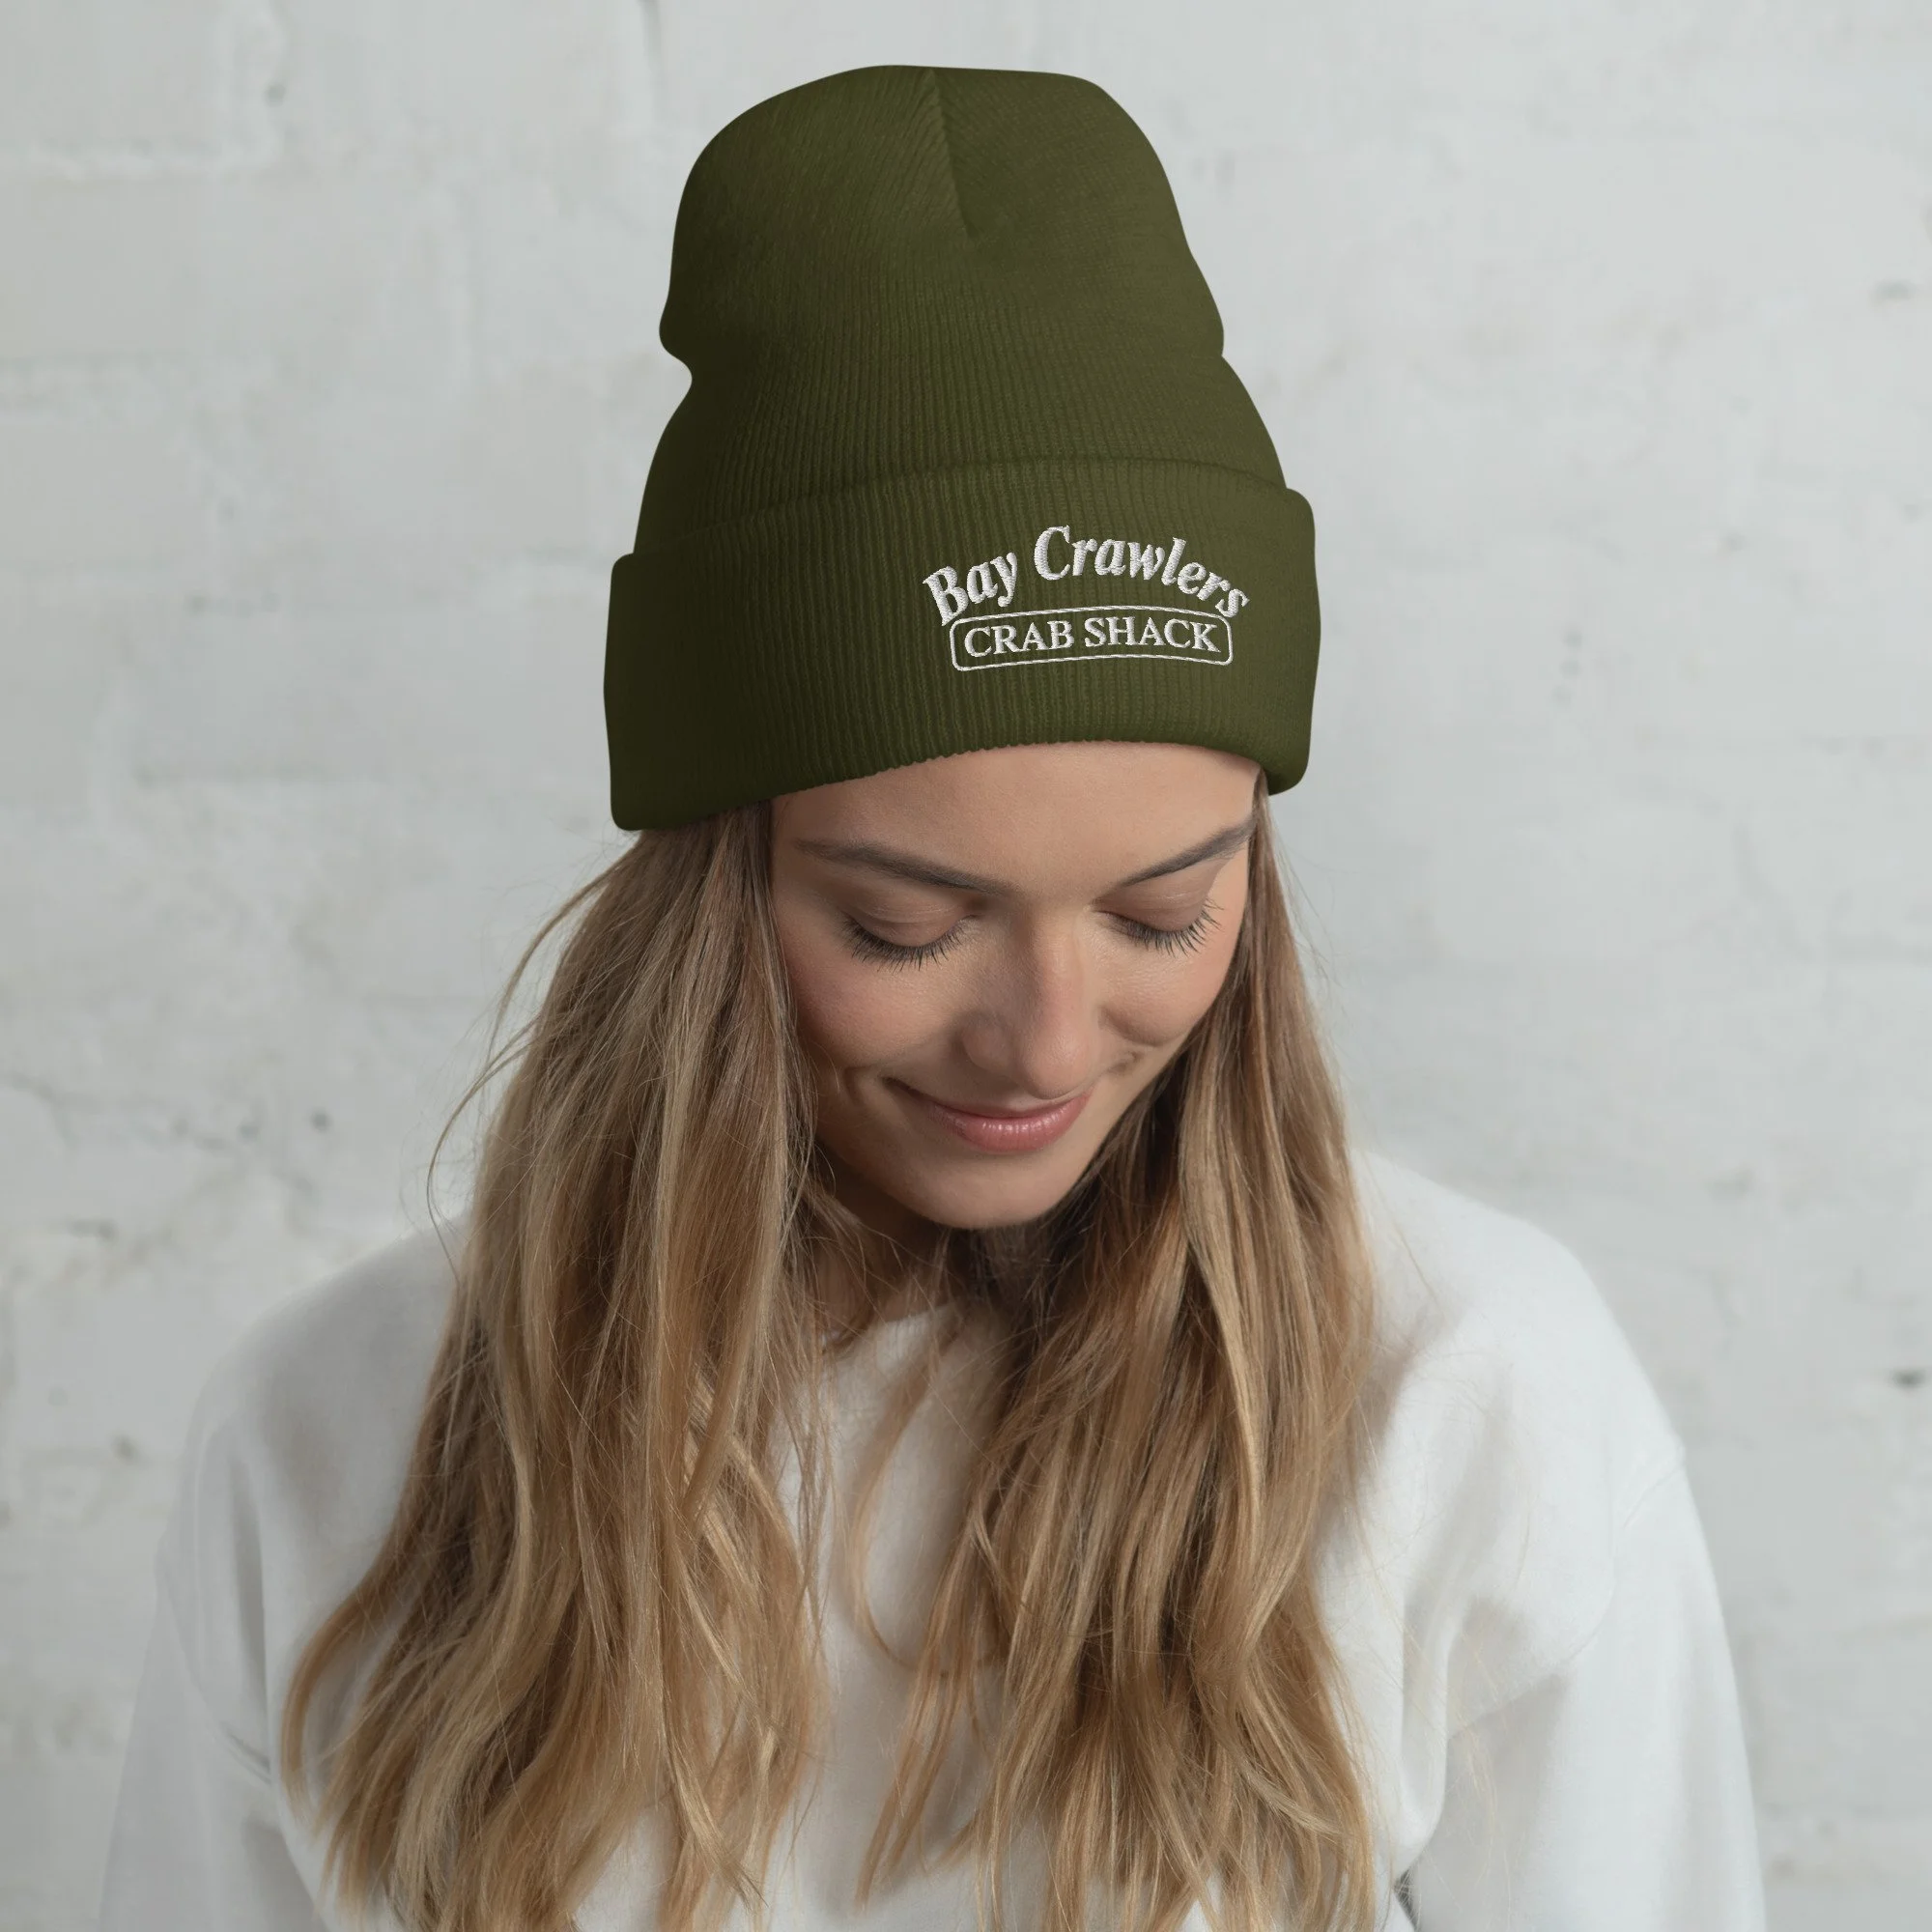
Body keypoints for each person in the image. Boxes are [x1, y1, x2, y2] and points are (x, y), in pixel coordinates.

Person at [99, 64, 1766, 1932]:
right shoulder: (329, 1440)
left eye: (1162, 914)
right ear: (713, 891)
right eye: (904, 927)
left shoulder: (1469, 1398)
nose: (1046, 1042)